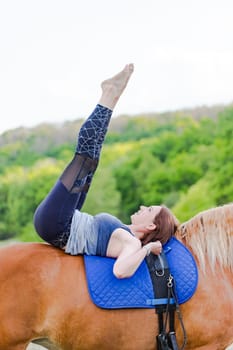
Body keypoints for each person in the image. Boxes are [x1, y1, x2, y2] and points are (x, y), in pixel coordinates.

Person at [34, 64, 178, 279]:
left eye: (148, 209)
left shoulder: (132, 243)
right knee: (92, 157)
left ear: (150, 225)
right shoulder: (127, 232)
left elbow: (120, 272)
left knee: (85, 158)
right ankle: (110, 96)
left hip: (57, 224)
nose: (142, 206)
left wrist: (148, 248)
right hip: (68, 220)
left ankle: (109, 94)